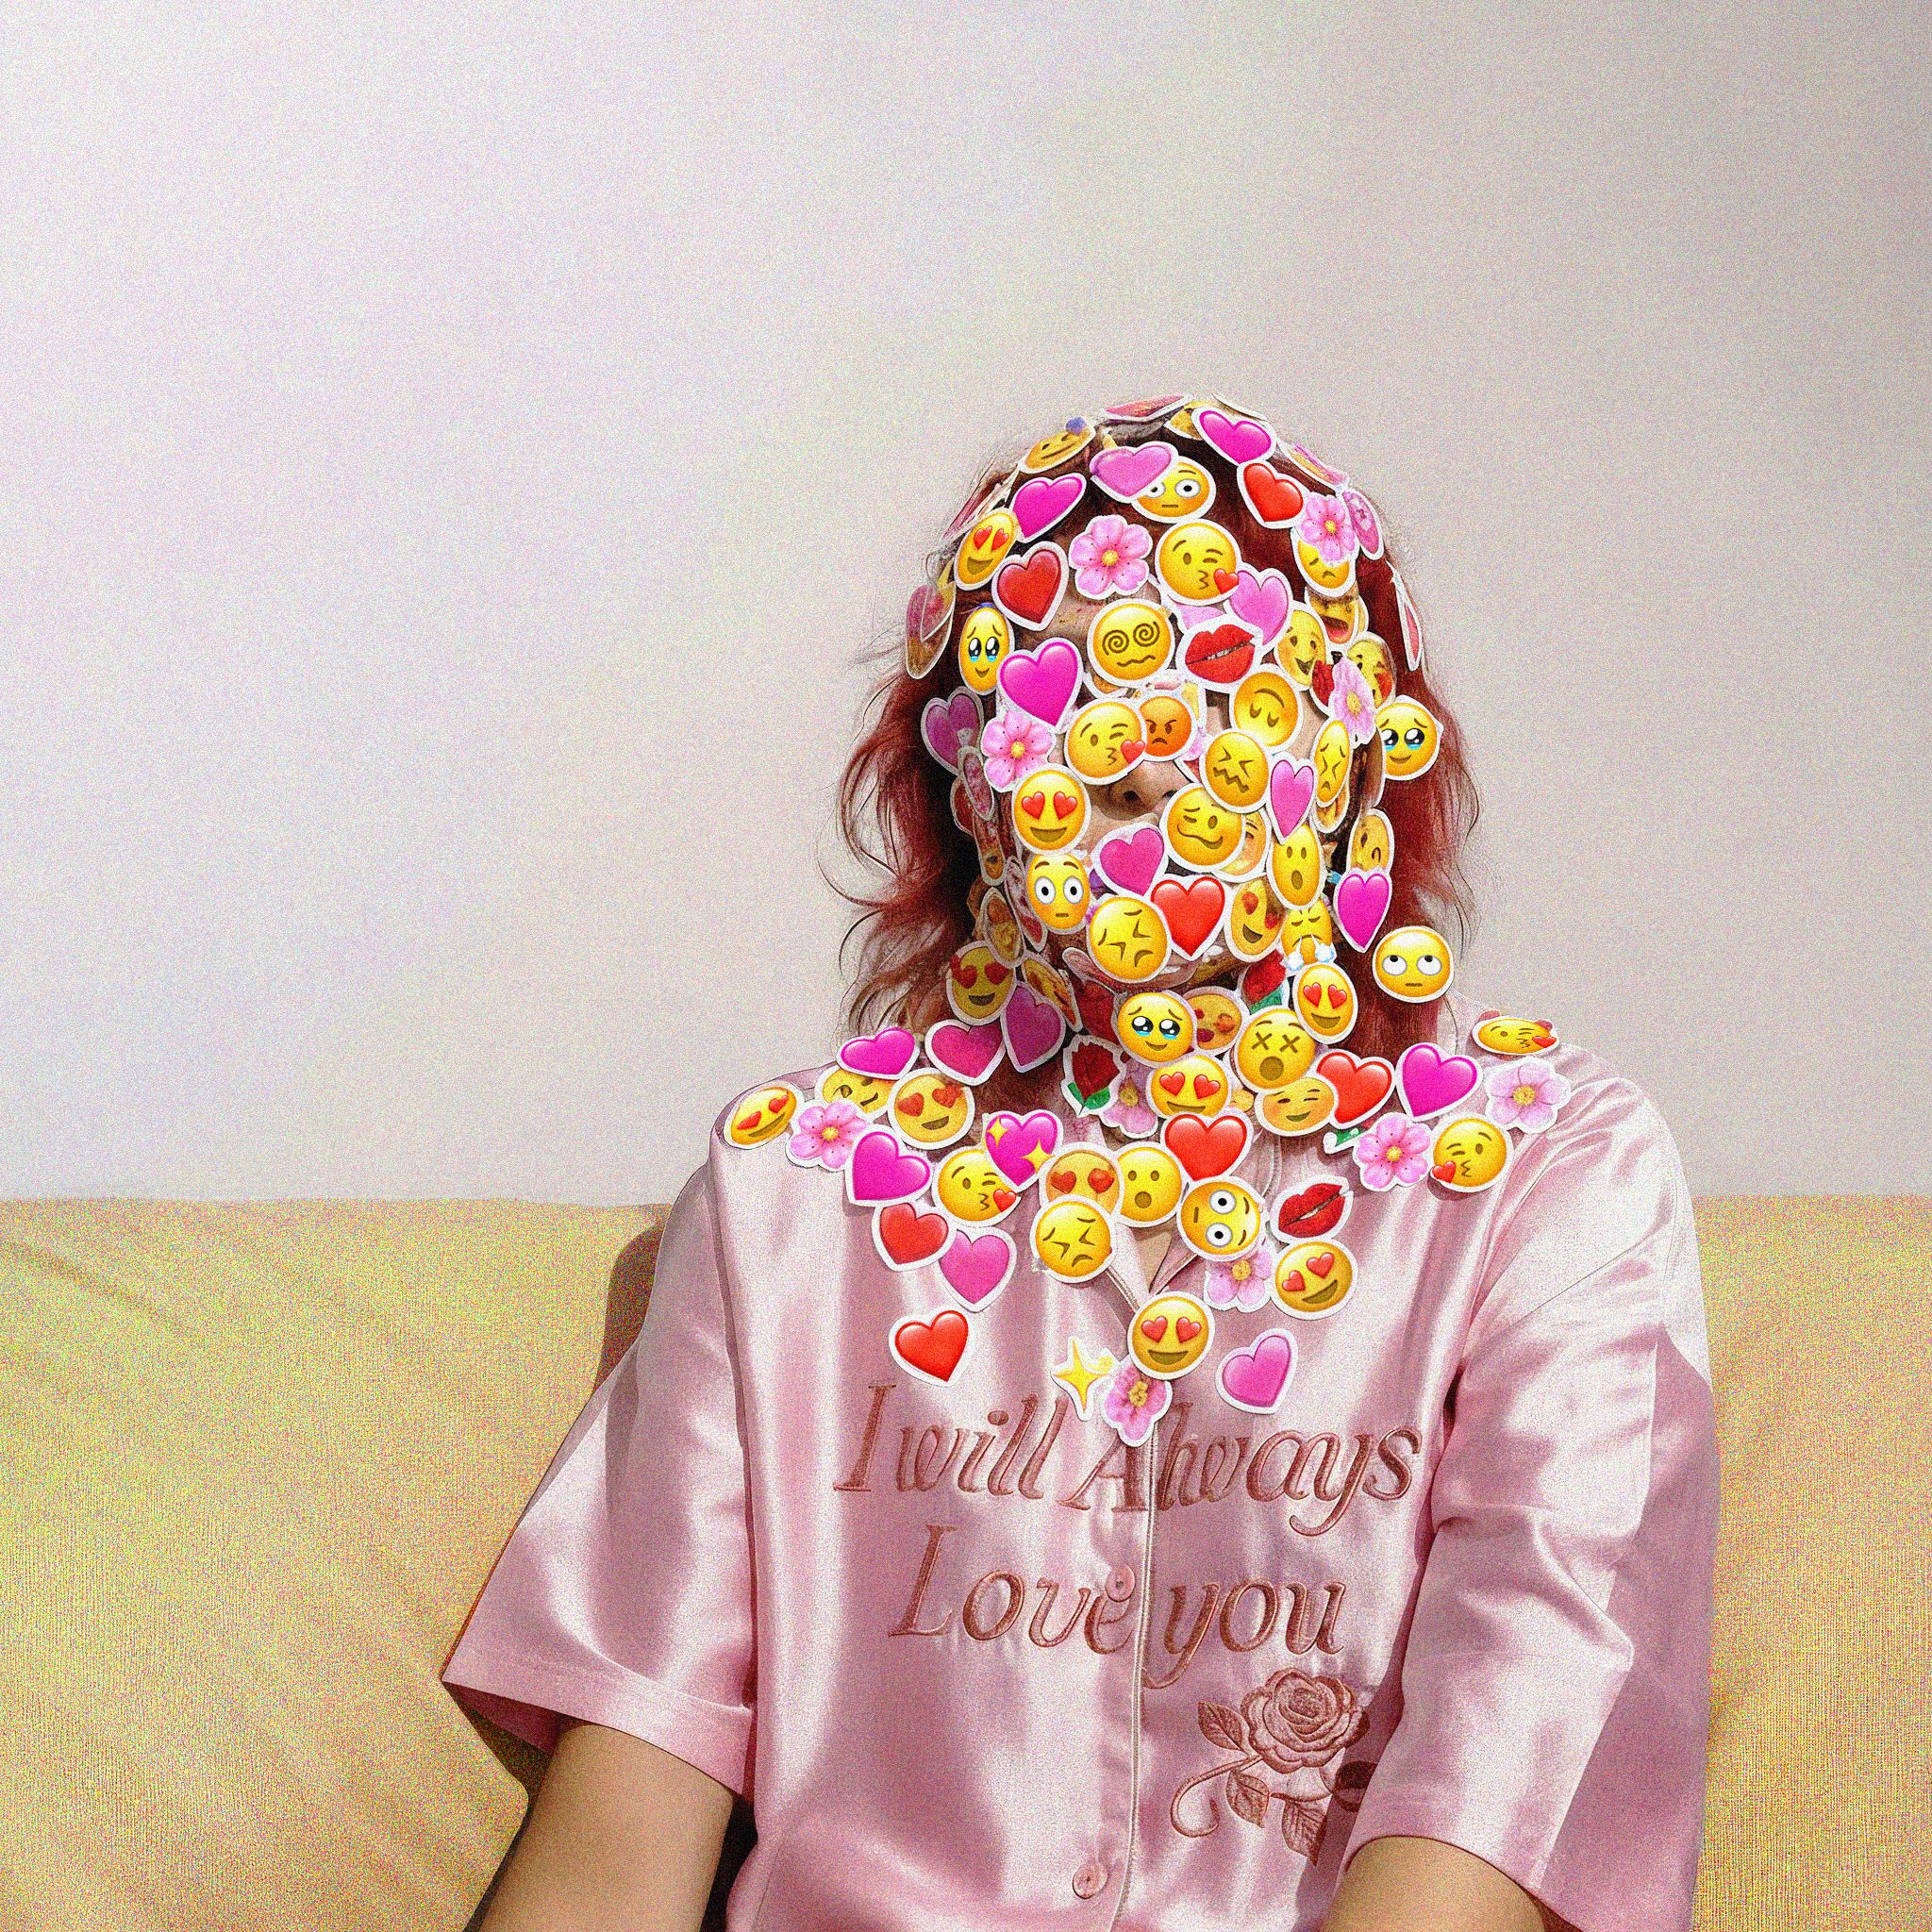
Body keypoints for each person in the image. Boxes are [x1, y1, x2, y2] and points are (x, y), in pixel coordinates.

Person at [439, 394, 1720, 1932]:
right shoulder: (792, 1199)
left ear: (1354, 742)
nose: (1145, 761)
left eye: (1221, 675)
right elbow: (617, 1848)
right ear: (965, 773)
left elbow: (1511, 1775)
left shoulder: (1550, 1176)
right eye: (1073, 689)